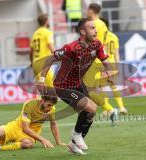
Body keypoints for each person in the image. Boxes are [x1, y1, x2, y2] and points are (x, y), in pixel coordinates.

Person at [38, 18, 114, 155]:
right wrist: (42, 78)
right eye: (92, 28)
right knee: (89, 107)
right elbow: (50, 58)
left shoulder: (96, 44)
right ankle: (76, 135)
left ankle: (74, 144)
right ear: (82, 31)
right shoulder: (70, 48)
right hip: (63, 86)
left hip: (78, 83)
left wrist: (109, 72)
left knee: (91, 111)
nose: (95, 30)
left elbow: (105, 61)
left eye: (95, 27)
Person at [0, 93, 65, 152]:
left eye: (52, 106)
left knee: (28, 144)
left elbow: (53, 124)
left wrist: (58, 142)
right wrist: (43, 139)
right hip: (15, 127)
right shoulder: (29, 105)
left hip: (31, 135)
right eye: (48, 105)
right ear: (42, 100)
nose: (50, 108)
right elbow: (25, 128)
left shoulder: (51, 109)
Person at [83, 3, 117, 124]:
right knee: (92, 90)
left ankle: (109, 110)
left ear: (91, 11)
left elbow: (89, 42)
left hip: (93, 60)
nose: (86, 11)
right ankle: (95, 114)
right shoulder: (103, 25)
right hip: (101, 58)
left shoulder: (92, 24)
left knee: (89, 90)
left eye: (87, 9)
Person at [99, 17, 128, 117]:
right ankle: (121, 107)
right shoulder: (114, 37)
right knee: (114, 86)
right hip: (112, 65)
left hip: (102, 65)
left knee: (102, 88)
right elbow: (117, 54)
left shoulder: (99, 37)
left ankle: (107, 110)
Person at [30, 13, 55, 90]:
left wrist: (31, 63)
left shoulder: (35, 33)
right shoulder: (47, 32)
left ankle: (43, 100)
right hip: (44, 63)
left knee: (43, 90)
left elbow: (31, 51)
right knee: (52, 90)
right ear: (47, 22)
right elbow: (51, 47)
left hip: (35, 63)